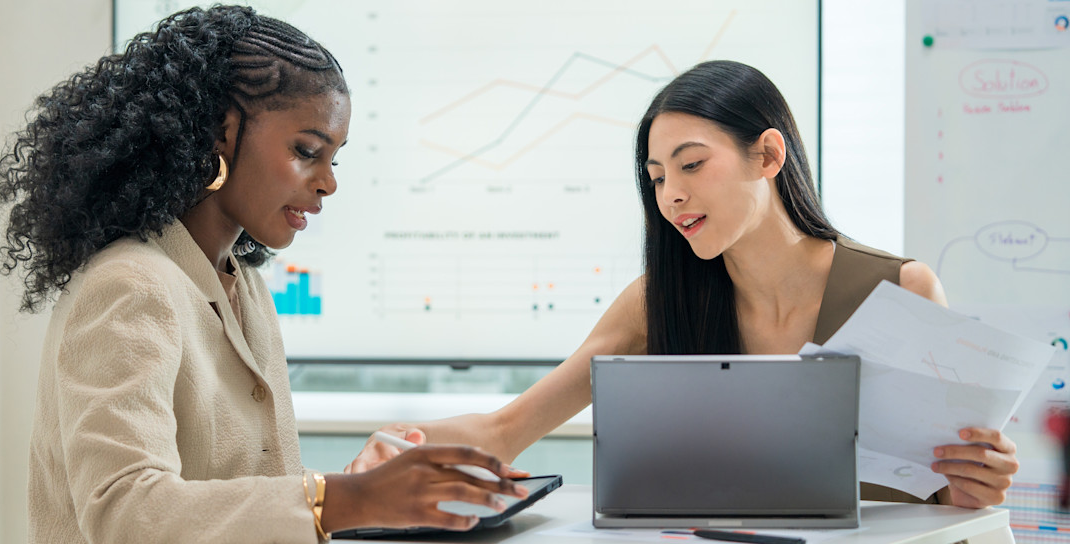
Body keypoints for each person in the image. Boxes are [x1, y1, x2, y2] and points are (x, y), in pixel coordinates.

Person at [348, 60, 1019, 509]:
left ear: (768, 154)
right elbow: (508, 427)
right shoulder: (655, 301)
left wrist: (976, 483)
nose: (671, 195)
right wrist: (404, 444)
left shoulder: (901, 289)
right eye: (657, 175)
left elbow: (948, 487)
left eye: (691, 165)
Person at [0, 6, 526, 543]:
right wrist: (346, 498)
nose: (327, 184)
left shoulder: (243, 288)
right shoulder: (130, 285)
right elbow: (127, 512)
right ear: (224, 132)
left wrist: (365, 489)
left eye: (333, 160)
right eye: (307, 151)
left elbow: (233, 497)